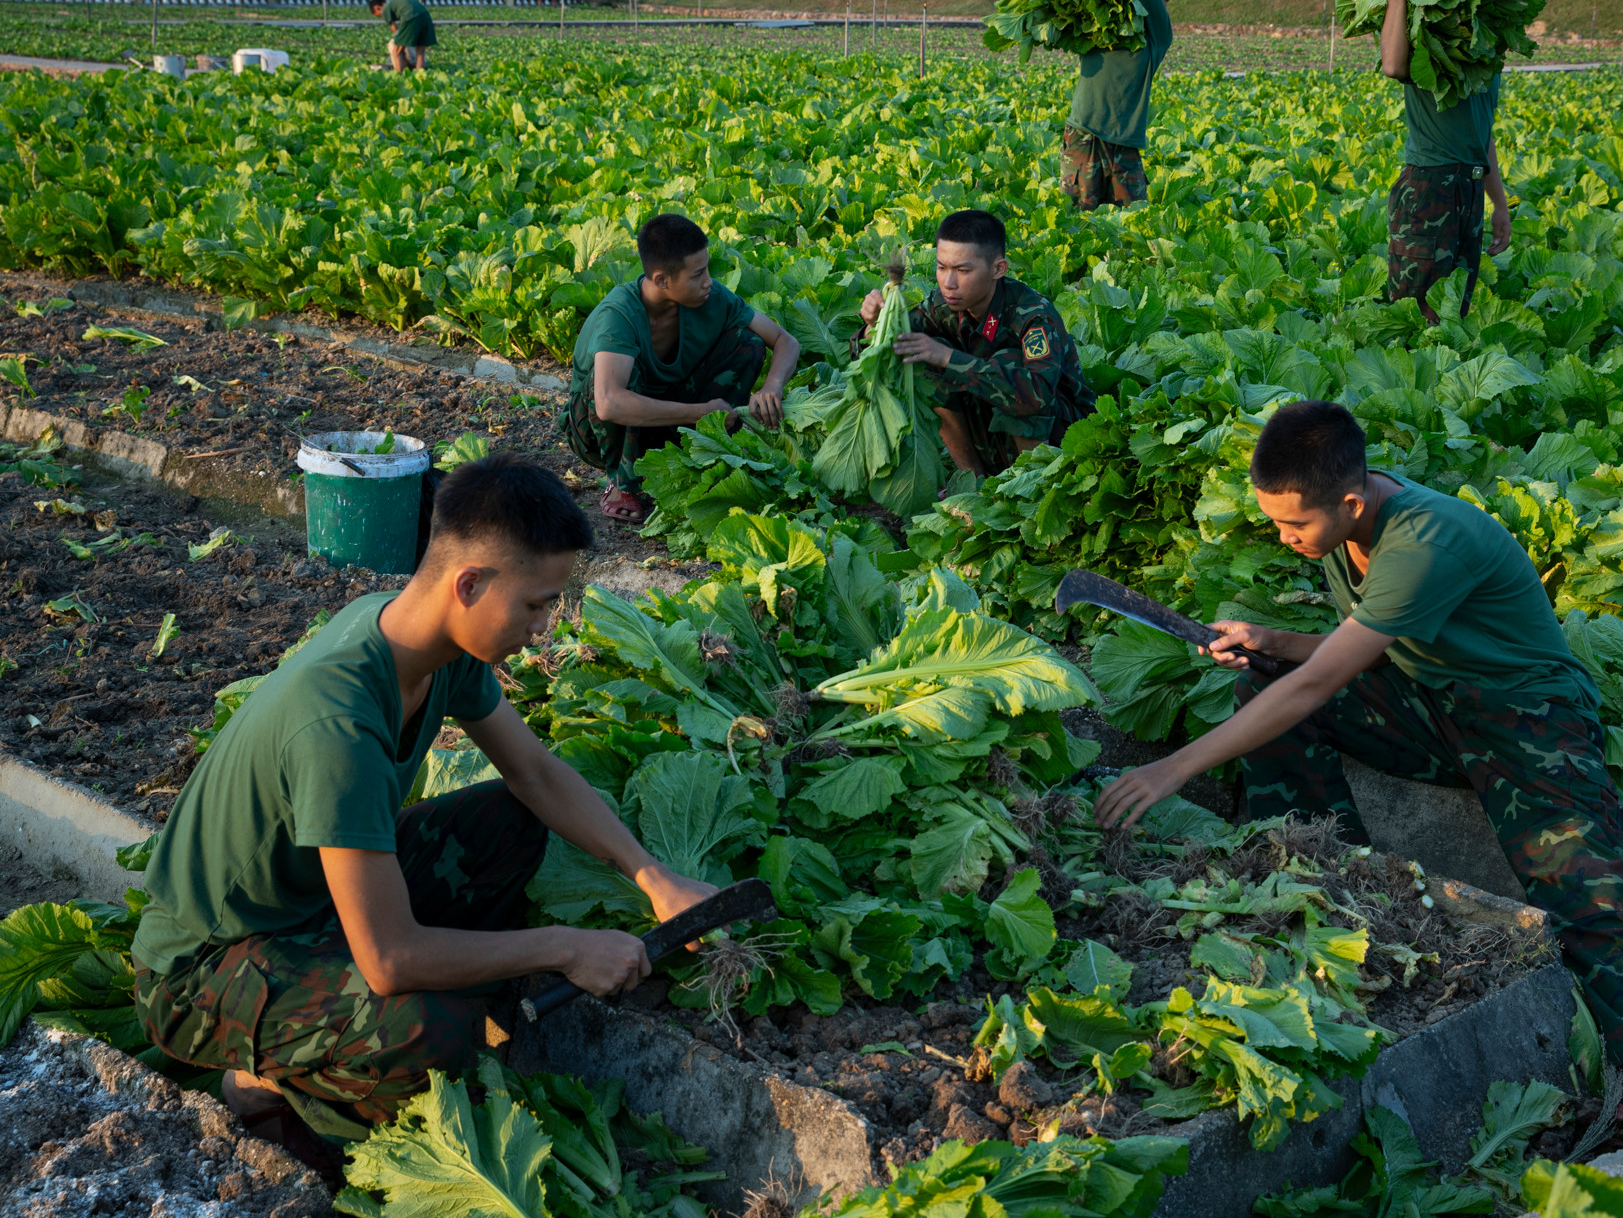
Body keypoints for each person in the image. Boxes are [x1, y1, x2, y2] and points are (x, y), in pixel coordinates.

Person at [1092, 401, 1623, 1132]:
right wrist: (1271, 642)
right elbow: (1363, 649)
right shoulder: (1349, 523)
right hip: (1432, 702)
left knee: (1574, 879)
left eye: (1294, 525)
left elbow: (1320, 683)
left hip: (1527, 718)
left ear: (1349, 501)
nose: (1284, 539)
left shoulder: (1423, 541)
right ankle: (1326, 876)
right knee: (1263, 680)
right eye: (1274, 522)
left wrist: (1173, 769)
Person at [132, 457, 719, 1161]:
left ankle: (388, 1008)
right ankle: (266, 1089)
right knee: (431, 1032)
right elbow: (389, 959)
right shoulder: (337, 724)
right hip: (203, 970)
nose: (544, 626)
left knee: (510, 823)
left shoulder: (427, 639)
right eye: (536, 605)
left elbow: (535, 773)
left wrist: (652, 876)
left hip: (316, 905)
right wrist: (566, 947)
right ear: (468, 584)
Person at [559, 213, 800, 523]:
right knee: (619, 380)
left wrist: (772, 387)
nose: (708, 281)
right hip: (596, 433)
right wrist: (700, 413)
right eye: (697, 274)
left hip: (666, 417)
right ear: (662, 280)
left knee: (749, 342)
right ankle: (622, 481)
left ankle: (704, 453)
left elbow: (784, 341)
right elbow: (608, 404)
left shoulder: (711, 297)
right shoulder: (619, 313)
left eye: (707, 269)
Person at [854, 209, 1096, 480]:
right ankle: (972, 480)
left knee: (1006, 365)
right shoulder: (942, 305)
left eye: (963, 270)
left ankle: (1035, 483)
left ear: (998, 269)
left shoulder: (1031, 314)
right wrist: (875, 324)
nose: (949, 283)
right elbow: (889, 348)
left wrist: (949, 358)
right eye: (941, 267)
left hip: (1063, 443)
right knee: (921, 356)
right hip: (991, 438)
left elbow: (1035, 396)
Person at [1376, 0, 1512, 321]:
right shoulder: (1430, 41)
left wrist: (1499, 205)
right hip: (1429, 189)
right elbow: (1392, 65)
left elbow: (1482, 135)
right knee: (1416, 315)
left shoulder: (1486, 58)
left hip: (1470, 190)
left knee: (1454, 315)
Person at [1061, 0, 1175, 211]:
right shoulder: (1100, 20)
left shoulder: (1158, 37)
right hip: (1083, 135)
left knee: (1134, 220)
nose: (1161, 1)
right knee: (1078, 219)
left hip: (1125, 145)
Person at [369, 0, 435, 72]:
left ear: (378, 8)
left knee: (396, 51)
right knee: (420, 53)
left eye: (380, 16)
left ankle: (399, 74)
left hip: (411, 18)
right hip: (425, 17)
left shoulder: (385, 8)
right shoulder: (395, 2)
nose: (383, 17)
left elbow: (394, 28)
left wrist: (400, 42)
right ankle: (420, 74)